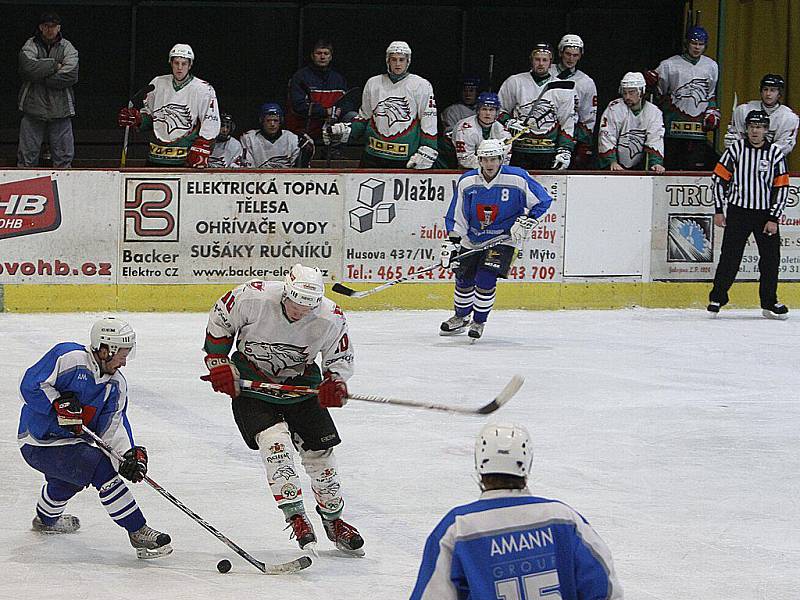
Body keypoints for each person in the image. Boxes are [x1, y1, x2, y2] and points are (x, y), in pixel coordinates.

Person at [202, 264, 364, 555]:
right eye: (296, 304)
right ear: (285, 293)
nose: (301, 312)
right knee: (275, 444)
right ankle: (296, 516)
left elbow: (339, 358)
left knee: (321, 457)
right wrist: (218, 363)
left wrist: (334, 382)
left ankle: (334, 520)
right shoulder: (252, 298)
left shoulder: (330, 317)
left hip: (300, 387)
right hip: (252, 387)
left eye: (308, 307)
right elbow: (220, 324)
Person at [410, 422, 624, 600]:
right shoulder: (564, 519)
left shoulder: (458, 529)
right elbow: (606, 589)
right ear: (526, 464)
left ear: (480, 467)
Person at [18, 317, 172, 559]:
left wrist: (127, 456)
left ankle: (46, 519)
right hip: (38, 440)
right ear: (105, 349)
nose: (124, 362)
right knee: (97, 465)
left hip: (72, 443)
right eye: (122, 354)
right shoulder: (69, 358)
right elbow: (30, 385)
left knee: (69, 480)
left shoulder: (116, 385)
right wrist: (57, 403)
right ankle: (137, 529)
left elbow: (113, 426)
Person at [439, 139, 552, 340]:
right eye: (485, 159)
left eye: (493, 159)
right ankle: (461, 317)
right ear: (479, 160)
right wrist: (454, 242)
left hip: (504, 239)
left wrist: (528, 219)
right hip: (472, 239)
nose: (489, 164)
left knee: (485, 278)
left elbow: (543, 200)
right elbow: (458, 214)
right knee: (463, 280)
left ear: (501, 159)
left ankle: (479, 321)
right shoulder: (467, 181)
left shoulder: (517, 177)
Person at [707, 110, 790, 320]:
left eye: (760, 127)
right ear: (747, 129)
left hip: (764, 215)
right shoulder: (735, 150)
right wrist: (719, 209)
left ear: (766, 130)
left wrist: (773, 217)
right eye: (752, 127)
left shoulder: (775, 153)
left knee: (771, 259)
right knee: (730, 256)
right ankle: (717, 298)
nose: (755, 131)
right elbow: (719, 179)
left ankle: (769, 302)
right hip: (738, 212)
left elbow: (781, 186)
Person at [324, 41, 438, 169]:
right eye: (394, 59)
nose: (398, 64)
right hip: (372, 155)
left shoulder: (422, 85)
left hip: (406, 158)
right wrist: (346, 131)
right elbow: (364, 117)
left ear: (408, 61)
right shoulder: (373, 83)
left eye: (402, 60)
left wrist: (429, 148)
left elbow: (429, 120)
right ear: (387, 61)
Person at [117, 43, 220, 167]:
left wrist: (202, 147)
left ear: (190, 64)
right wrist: (138, 119)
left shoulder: (204, 89)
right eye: (176, 63)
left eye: (184, 63)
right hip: (155, 157)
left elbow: (211, 121)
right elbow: (151, 117)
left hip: (185, 159)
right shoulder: (157, 83)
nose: (180, 68)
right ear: (171, 63)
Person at [644, 26, 719, 170]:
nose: (697, 47)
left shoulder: (711, 66)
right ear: (687, 43)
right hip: (673, 129)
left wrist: (712, 112)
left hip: (698, 131)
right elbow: (659, 94)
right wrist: (651, 83)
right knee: (671, 168)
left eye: (700, 44)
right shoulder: (669, 65)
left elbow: (710, 95)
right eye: (694, 43)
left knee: (695, 170)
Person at [498, 43, 577, 170]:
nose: (540, 63)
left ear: (551, 62)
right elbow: (499, 110)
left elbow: (567, 121)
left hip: (548, 152)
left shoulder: (562, 87)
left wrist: (565, 150)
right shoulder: (514, 82)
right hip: (519, 151)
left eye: (544, 60)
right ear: (531, 60)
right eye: (537, 59)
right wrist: (509, 122)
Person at [17, 11, 79, 168]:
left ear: (59, 28)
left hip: (61, 109)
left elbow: (71, 75)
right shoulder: (30, 45)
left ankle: (67, 190)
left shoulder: (67, 47)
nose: (50, 29)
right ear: (40, 27)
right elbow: (27, 68)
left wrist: (41, 74)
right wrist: (54, 65)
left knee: (64, 158)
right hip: (33, 108)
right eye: (46, 26)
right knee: (27, 157)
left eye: (53, 26)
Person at [285, 39, 356, 142]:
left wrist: (336, 113)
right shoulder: (300, 77)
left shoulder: (338, 79)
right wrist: (325, 112)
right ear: (312, 56)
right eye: (318, 53)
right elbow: (298, 106)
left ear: (330, 56)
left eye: (326, 53)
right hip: (306, 125)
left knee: (353, 117)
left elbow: (348, 103)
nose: (322, 57)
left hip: (332, 124)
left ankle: (335, 150)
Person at [598, 72, 665, 172]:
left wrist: (656, 163)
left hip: (640, 164)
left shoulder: (654, 112)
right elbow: (607, 135)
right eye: (624, 93)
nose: (627, 97)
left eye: (631, 92)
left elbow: (655, 139)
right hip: (616, 164)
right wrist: (611, 161)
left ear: (641, 92)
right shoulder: (615, 108)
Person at [551, 34, 598, 169]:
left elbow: (588, 116)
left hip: (570, 138)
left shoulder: (586, 82)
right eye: (568, 54)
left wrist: (583, 145)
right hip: (546, 134)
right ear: (560, 52)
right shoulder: (547, 72)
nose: (571, 59)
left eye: (575, 55)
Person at [725, 74, 798, 159]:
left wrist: (760, 155)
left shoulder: (789, 117)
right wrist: (732, 142)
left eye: (772, 90)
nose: (768, 94)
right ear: (761, 91)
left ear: (779, 93)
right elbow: (737, 137)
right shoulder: (743, 110)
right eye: (765, 89)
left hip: (772, 161)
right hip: (744, 158)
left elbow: (784, 146)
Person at [241, 103, 313, 168]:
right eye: (268, 120)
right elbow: (248, 167)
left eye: (275, 120)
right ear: (262, 121)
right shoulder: (250, 138)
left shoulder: (291, 138)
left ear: (280, 121)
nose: (272, 124)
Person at [451, 92, 511, 169]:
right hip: (455, 156)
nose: (488, 113)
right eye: (484, 109)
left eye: (491, 110)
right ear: (478, 111)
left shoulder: (503, 131)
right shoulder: (465, 130)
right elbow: (465, 161)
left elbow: (504, 160)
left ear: (497, 113)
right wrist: (491, 165)